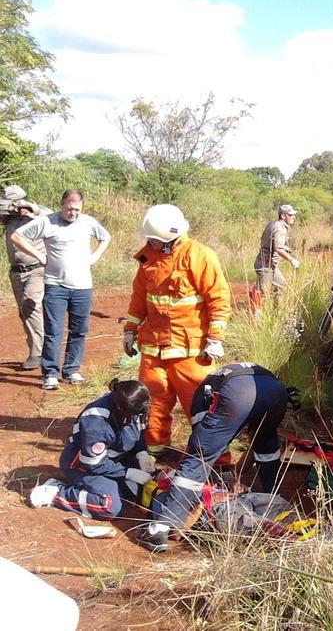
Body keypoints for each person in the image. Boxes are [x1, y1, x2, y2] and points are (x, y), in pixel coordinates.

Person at [139, 362, 295, 553]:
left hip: (237, 394)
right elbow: (182, 531)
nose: (166, 472)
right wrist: (228, 485)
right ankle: (275, 497)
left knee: (197, 461)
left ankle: (159, 529)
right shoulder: (160, 494)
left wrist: (229, 480)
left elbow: (200, 453)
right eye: (163, 474)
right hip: (274, 391)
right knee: (266, 447)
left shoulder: (200, 400)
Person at [123, 204, 232, 455]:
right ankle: (154, 450)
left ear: (170, 238)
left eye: (154, 239)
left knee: (202, 406)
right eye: (149, 239)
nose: (149, 243)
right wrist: (130, 329)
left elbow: (219, 298)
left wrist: (215, 338)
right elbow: (140, 297)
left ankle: (216, 459)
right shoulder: (147, 257)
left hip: (190, 350)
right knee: (151, 402)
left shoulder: (199, 256)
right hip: (153, 348)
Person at [11, 189, 110, 390]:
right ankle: (50, 373)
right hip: (56, 285)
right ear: (62, 204)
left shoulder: (87, 222)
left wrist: (95, 256)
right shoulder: (47, 221)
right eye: (69, 208)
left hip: (83, 287)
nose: (73, 213)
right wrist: (39, 256)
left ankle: (71, 369)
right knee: (53, 331)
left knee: (79, 330)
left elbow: (105, 237)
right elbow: (16, 236)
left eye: (77, 209)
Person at [28, 378, 154, 519]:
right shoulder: (97, 422)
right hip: (85, 464)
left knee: (145, 486)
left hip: (116, 459)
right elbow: (92, 463)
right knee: (109, 506)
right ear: (121, 408)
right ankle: (56, 492)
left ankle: (114, 484)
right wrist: (127, 472)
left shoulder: (136, 404)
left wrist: (141, 453)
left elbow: (137, 430)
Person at [0, 185, 50, 370]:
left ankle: (38, 353)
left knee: (31, 306)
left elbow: (52, 215)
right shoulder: (8, 217)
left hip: (36, 269)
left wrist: (31, 208)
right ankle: (38, 348)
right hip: (16, 271)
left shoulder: (38, 215)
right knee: (24, 312)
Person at [254, 204, 299, 297]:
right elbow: (278, 248)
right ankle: (259, 310)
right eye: (290, 215)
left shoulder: (274, 224)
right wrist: (291, 260)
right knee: (264, 294)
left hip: (268, 264)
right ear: (283, 216)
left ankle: (277, 310)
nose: (293, 217)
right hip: (265, 265)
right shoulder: (279, 228)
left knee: (282, 286)